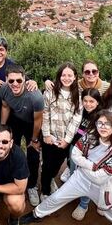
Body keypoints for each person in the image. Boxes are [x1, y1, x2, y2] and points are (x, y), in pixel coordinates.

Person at [20, 110, 112, 225]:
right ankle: (37, 214)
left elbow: (101, 177)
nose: (103, 127)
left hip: (101, 187)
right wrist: (93, 166)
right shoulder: (89, 137)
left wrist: (85, 166)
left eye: (107, 124)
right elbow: (75, 155)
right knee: (57, 197)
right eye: (100, 123)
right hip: (80, 179)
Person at [0, 64, 45, 207]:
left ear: (24, 79)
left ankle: (31, 186)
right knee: (12, 150)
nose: (15, 84)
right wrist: (2, 128)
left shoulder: (35, 97)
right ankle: (14, 180)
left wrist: (34, 139)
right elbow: (5, 107)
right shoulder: (4, 90)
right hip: (16, 120)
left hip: (32, 124)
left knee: (33, 153)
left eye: (19, 80)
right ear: (6, 80)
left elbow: (38, 119)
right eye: (11, 81)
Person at [40, 62, 82, 200]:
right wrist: (46, 135)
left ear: (75, 77)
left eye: (70, 75)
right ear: (59, 76)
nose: (67, 78)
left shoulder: (78, 94)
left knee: (57, 164)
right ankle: (45, 191)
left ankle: (51, 179)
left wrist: (67, 140)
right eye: (64, 75)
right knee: (47, 164)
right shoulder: (50, 92)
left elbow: (77, 118)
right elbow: (45, 113)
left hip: (65, 138)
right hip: (50, 136)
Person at [65, 87, 102, 220]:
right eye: (85, 100)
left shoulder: (101, 116)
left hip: (91, 152)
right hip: (75, 147)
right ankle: (73, 193)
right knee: (74, 172)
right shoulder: (79, 111)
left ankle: (84, 204)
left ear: (97, 102)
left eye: (91, 101)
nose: (88, 104)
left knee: (87, 177)